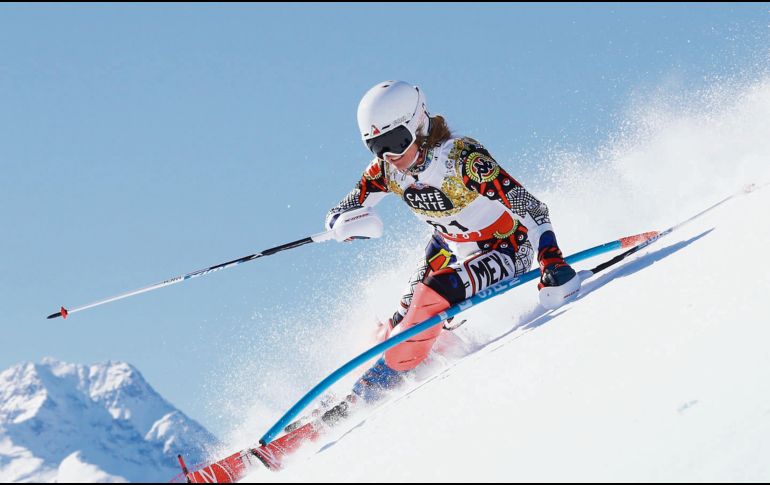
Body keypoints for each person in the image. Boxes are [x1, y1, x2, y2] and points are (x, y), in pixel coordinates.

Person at [311, 80, 579, 427]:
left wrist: (552, 261)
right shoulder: (388, 170)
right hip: (448, 248)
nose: (391, 157)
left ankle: (364, 396)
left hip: (505, 246)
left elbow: (532, 208)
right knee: (397, 325)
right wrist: (340, 222)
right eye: (376, 147)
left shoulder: (462, 160)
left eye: (396, 142)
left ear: (418, 125)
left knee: (431, 297)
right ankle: (355, 390)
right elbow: (347, 205)